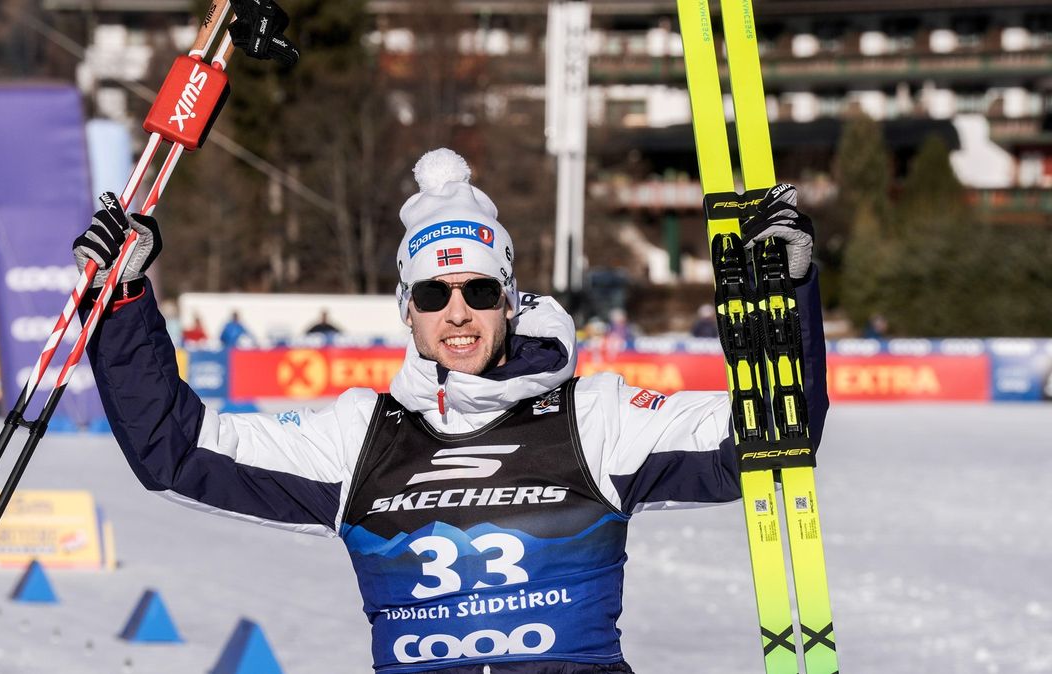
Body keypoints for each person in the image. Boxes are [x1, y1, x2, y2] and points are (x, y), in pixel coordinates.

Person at [71, 149, 828, 673]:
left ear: (510, 297)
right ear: (407, 309)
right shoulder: (359, 438)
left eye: (479, 290)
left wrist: (785, 301)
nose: (457, 312)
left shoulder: (594, 417)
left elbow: (766, 438)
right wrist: (124, 302)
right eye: (434, 294)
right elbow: (175, 449)